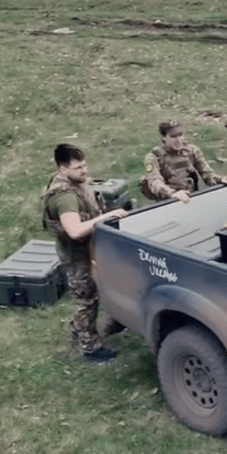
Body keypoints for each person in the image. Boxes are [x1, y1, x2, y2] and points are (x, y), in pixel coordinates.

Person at [42, 144, 128, 361]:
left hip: (90, 249)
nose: (84, 171)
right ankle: (90, 347)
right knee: (87, 299)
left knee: (92, 294)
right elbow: (74, 230)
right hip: (77, 255)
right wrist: (105, 218)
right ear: (63, 169)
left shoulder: (77, 182)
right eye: (78, 167)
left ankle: (78, 328)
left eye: (85, 165)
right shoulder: (65, 197)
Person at [140, 120, 227, 204]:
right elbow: (155, 182)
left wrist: (220, 179)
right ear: (164, 138)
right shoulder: (154, 157)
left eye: (180, 135)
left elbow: (207, 173)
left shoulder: (192, 151)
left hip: (191, 197)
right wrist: (172, 193)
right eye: (173, 136)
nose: (178, 140)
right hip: (168, 202)